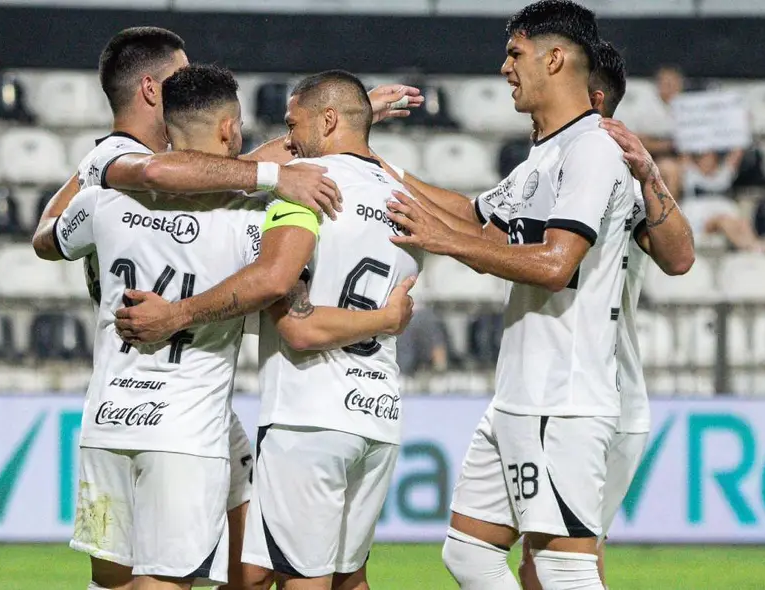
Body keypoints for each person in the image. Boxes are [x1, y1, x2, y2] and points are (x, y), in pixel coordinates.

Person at [32, 26, 424, 590]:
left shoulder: (103, 196)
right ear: (151, 89)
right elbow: (259, 261)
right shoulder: (180, 187)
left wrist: (347, 123)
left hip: (113, 410)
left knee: (194, 571)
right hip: (188, 425)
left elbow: (48, 237)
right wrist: (287, 172)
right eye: (178, 75)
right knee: (176, 578)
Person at [384, 2, 635, 588]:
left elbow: (554, 264)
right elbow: (476, 217)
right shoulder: (544, 155)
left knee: (565, 568)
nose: (504, 68)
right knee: (469, 554)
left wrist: (446, 243)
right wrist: (374, 164)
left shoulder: (592, 149)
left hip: (562, 398)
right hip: (521, 394)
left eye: (515, 53)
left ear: (555, 58)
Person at [517, 40, 695, 590]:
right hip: (562, 393)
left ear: (589, 96)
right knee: (539, 561)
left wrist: (651, 174)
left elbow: (681, 257)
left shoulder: (609, 166)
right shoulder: (555, 164)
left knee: (567, 563)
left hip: (597, 397)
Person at [239, 70, 422, 590]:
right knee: (342, 577)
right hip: (377, 416)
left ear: (327, 119)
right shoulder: (404, 199)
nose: (289, 138)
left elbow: (297, 327)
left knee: (306, 582)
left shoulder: (303, 186)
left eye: (293, 123)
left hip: (308, 418)